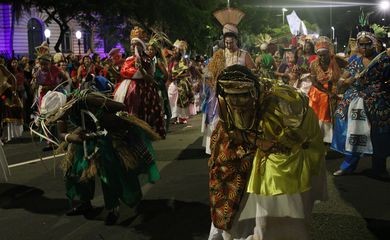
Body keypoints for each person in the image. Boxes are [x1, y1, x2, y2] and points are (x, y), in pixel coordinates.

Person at [208, 65, 327, 239]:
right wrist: (257, 141)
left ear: (254, 93)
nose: (237, 102)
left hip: (286, 146)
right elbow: (230, 128)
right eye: (232, 96)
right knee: (224, 173)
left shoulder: (281, 105)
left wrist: (270, 144)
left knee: (276, 194)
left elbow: (294, 138)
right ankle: (235, 229)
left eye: (242, 96)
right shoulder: (224, 101)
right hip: (251, 141)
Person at [332, 24, 390, 179]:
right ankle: (348, 166)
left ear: (373, 42)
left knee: (379, 133)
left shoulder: (383, 59)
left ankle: (379, 168)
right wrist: (344, 81)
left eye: (367, 44)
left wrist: (379, 88)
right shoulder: (355, 59)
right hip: (356, 99)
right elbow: (343, 79)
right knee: (351, 129)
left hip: (378, 101)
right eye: (361, 44)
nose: (364, 47)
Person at [114, 26, 165, 138]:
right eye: (132, 45)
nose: (133, 47)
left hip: (141, 89)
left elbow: (148, 75)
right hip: (126, 87)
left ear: (141, 46)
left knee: (139, 108)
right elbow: (123, 72)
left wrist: (140, 69)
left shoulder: (146, 60)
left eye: (136, 45)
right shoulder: (128, 59)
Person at [308, 36, 347, 143]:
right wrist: (328, 92)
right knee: (323, 105)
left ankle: (336, 137)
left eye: (324, 55)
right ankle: (322, 137)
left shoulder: (337, 60)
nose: (322, 58)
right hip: (319, 92)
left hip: (336, 90)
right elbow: (314, 82)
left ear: (329, 53)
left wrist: (343, 81)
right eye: (319, 55)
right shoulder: (314, 64)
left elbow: (351, 67)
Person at [146, 35, 171, 130]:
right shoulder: (147, 60)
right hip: (150, 86)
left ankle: (162, 126)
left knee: (161, 106)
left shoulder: (158, 61)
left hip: (158, 86)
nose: (150, 51)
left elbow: (166, 75)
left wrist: (160, 82)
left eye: (152, 50)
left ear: (156, 51)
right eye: (148, 50)